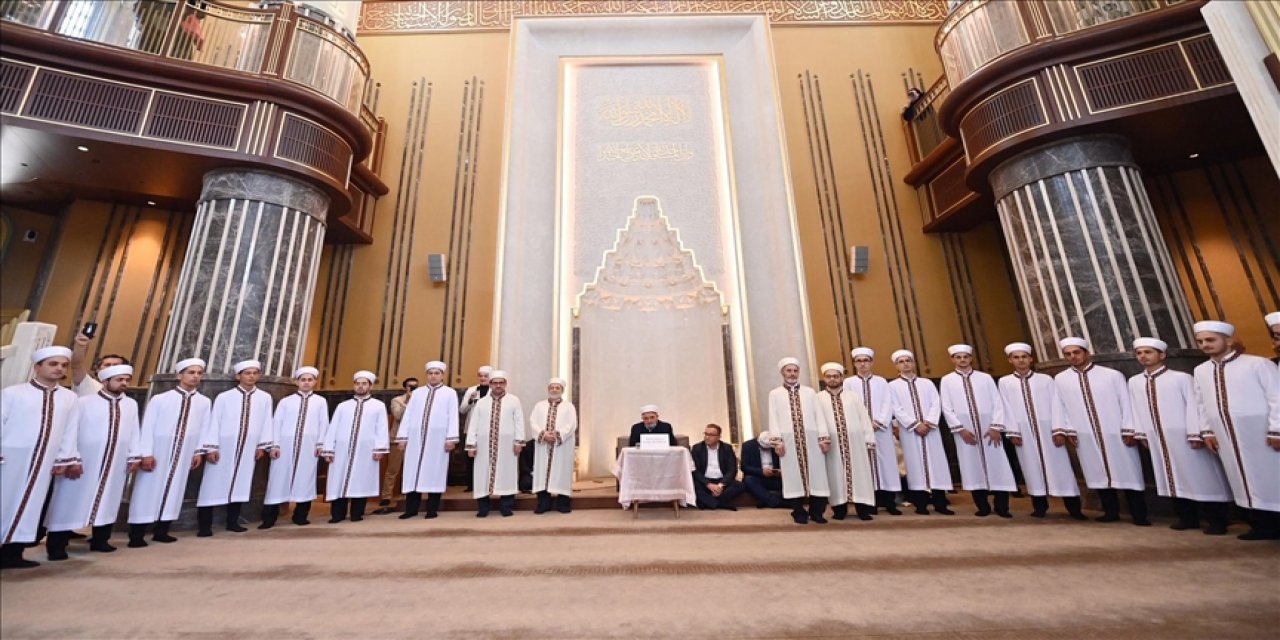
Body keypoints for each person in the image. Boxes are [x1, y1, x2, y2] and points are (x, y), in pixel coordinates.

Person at [1128, 338, 1232, 535]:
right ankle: (1187, 517)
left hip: (1186, 436)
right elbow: (1136, 408)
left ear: (1162, 355)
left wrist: (1195, 432)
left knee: (1201, 476)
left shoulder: (1181, 378)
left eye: (1148, 352)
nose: (1143, 356)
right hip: (1158, 437)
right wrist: (1141, 432)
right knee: (1172, 477)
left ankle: (1217, 520)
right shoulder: (1134, 382)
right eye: (1139, 353)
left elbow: (1195, 405)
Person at [1191, 320, 1280, 540]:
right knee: (1240, 477)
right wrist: (1207, 431)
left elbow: (1276, 397)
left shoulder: (1258, 364)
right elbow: (1200, 403)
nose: (1205, 345)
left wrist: (1276, 430)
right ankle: (1258, 525)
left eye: (1210, 340)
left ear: (1229, 340)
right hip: (1225, 434)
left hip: (1259, 433)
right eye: (1200, 341)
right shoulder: (1200, 370)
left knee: (1268, 477)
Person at [46, 364, 141, 560]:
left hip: (115, 462)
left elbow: (134, 431)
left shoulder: (130, 404)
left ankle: (100, 540)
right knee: (68, 501)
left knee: (109, 499)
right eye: (119, 380)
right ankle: (57, 546)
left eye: (126, 380)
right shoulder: (83, 402)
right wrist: (71, 458)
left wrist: (134, 455)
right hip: (83, 461)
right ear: (105, 382)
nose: (124, 383)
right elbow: (69, 432)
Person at [0, 346, 82, 569]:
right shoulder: (13, 393)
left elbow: (69, 430)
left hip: (44, 462)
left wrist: (65, 458)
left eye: (63, 365)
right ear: (37, 367)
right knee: (4, 502)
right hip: (10, 459)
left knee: (30, 505)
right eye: (53, 364)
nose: (59, 369)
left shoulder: (69, 398)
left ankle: (12, 553)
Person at [1053, 338, 1149, 526]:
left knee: (1128, 472)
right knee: (1098, 473)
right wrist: (1067, 429)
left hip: (1116, 432)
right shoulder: (1061, 379)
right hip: (1085, 434)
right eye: (1068, 354)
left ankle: (1140, 515)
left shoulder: (1112, 375)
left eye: (1076, 352)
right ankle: (1110, 512)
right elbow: (1060, 406)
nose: (1073, 357)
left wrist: (1129, 428)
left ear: (1087, 353)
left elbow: (1126, 403)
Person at [127, 357, 211, 547]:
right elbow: (147, 426)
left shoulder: (204, 402)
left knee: (175, 489)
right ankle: (137, 535)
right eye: (191, 372)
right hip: (158, 451)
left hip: (185, 452)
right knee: (147, 490)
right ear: (179, 375)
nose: (195, 376)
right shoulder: (160, 399)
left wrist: (198, 451)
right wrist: (146, 453)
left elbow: (204, 428)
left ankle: (162, 530)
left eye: (199, 373)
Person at [997, 343, 1085, 519]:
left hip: (1048, 430)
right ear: (1010, 360)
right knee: (1031, 469)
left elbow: (1057, 404)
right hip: (1023, 432)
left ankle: (1074, 509)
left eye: (1024, 357)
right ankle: (1039, 507)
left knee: (1061, 469)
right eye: (1016, 357)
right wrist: (1013, 432)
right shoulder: (1005, 382)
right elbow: (1004, 407)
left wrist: (1059, 429)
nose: (1021, 360)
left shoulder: (1046, 380)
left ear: (1030, 359)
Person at [196, 359, 276, 537]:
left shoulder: (264, 398)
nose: (251, 376)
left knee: (240, 483)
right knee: (212, 485)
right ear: (238, 376)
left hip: (248, 447)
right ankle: (204, 526)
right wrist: (211, 446)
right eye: (247, 373)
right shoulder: (224, 397)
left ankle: (232, 522)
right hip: (224, 447)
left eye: (255, 373)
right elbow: (214, 421)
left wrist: (262, 445)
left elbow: (266, 422)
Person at [940, 344, 1016, 518]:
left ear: (971, 358)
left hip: (989, 429)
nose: (962, 360)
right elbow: (946, 407)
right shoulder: (947, 380)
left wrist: (996, 427)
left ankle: (1002, 507)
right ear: (953, 359)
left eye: (965, 356)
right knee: (972, 468)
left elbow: (997, 403)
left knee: (998, 467)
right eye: (958, 357)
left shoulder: (985, 378)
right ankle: (982, 506)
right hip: (965, 432)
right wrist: (960, 429)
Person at [887, 350, 954, 515]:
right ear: (896, 365)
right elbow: (896, 408)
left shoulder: (927, 383)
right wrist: (915, 424)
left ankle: (940, 504)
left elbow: (935, 403)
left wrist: (929, 422)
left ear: (913, 363)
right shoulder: (892, 386)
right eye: (901, 361)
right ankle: (921, 505)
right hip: (910, 432)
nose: (905, 363)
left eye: (908, 360)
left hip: (931, 431)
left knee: (936, 466)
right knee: (915, 467)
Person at [261, 366, 329, 529]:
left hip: (309, 446)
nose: (306, 383)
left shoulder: (320, 402)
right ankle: (269, 518)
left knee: (305, 480)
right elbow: (276, 423)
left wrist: (321, 443)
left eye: (309, 380)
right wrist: (274, 444)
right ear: (297, 382)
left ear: (315, 382)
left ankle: (300, 516)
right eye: (303, 380)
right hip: (284, 446)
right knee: (278, 480)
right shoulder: (286, 402)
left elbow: (323, 424)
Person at [767, 357, 831, 525]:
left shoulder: (810, 392)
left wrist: (823, 438)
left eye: (795, 370)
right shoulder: (775, 394)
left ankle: (817, 512)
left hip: (811, 440)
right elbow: (773, 418)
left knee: (818, 476)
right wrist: (777, 441)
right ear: (782, 372)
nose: (792, 374)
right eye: (789, 370)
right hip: (788, 441)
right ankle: (798, 511)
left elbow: (819, 415)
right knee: (792, 476)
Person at [322, 371, 389, 523]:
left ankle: (356, 514)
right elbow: (333, 428)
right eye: (358, 383)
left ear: (370, 386)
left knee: (361, 481)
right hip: (341, 450)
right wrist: (329, 448)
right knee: (338, 480)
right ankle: (337, 515)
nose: (360, 386)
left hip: (365, 450)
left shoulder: (378, 406)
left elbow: (382, 428)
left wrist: (380, 448)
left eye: (364, 383)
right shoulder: (342, 406)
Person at [397, 362, 459, 519]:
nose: (433, 376)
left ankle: (432, 509)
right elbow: (408, 415)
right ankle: (411, 509)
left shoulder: (449, 393)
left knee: (434, 472)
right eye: (430, 373)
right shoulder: (417, 393)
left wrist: (451, 438)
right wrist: (403, 437)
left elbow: (453, 416)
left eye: (436, 373)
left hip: (437, 440)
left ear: (442, 375)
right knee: (413, 473)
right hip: (415, 439)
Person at [816, 362, 876, 521]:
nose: (832, 379)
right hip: (832, 445)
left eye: (835, 376)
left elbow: (864, 418)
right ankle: (839, 510)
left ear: (841, 377)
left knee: (860, 475)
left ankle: (863, 510)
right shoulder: (818, 398)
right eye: (829, 376)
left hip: (855, 444)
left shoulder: (853, 396)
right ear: (824, 378)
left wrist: (869, 439)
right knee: (835, 476)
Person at [846, 347, 901, 515]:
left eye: (866, 360)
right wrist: (864, 424)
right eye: (859, 361)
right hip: (861, 431)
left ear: (871, 362)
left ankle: (890, 502)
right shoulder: (848, 383)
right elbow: (848, 405)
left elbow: (887, 403)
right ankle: (871, 503)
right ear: (855, 363)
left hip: (881, 429)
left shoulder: (881, 381)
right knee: (866, 465)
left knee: (887, 465)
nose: (863, 364)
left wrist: (880, 421)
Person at [466, 370, 525, 517]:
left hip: (507, 445)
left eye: (501, 382)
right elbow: (474, 424)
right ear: (490, 384)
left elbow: (519, 422)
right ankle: (483, 508)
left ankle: (506, 506)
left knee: (507, 473)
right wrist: (471, 444)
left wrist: (519, 441)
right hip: (483, 445)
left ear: (505, 384)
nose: (498, 385)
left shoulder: (514, 400)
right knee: (482, 474)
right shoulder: (481, 402)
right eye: (495, 383)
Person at [530, 378, 578, 514]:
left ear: (562, 390)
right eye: (552, 387)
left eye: (558, 388)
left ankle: (563, 503)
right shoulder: (539, 406)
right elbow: (533, 422)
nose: (554, 390)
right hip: (543, 444)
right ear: (548, 389)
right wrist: (543, 434)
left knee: (562, 472)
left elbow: (571, 425)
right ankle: (543, 503)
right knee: (542, 473)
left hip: (562, 446)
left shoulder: (569, 406)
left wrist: (557, 435)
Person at [378, 377, 417, 513]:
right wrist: (408, 401)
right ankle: (386, 495)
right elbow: (398, 416)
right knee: (393, 469)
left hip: (415, 439)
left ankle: (409, 493)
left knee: (412, 468)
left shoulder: (421, 400)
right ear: (404, 388)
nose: (412, 389)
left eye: (415, 386)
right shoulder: (397, 400)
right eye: (410, 386)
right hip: (397, 438)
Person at [690, 424, 745, 511]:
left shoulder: (727, 448)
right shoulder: (697, 448)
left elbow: (732, 469)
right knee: (693, 486)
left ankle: (708, 503)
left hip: (722, 481)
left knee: (740, 485)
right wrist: (708, 484)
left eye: (711, 435)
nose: (707, 437)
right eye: (706, 434)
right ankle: (721, 504)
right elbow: (695, 470)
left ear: (719, 437)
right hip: (705, 482)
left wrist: (720, 485)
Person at [457, 365, 493, 490]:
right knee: (470, 457)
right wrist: (470, 400)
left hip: (489, 429)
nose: (482, 378)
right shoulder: (471, 390)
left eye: (485, 376)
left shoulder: (494, 390)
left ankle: (487, 483)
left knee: (487, 457)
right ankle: (471, 484)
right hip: (472, 428)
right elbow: (462, 410)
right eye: (480, 376)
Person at [69, 331, 129, 397]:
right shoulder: (87, 384)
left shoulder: (126, 399)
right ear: (98, 370)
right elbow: (77, 365)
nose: (111, 368)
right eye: (107, 365)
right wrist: (81, 345)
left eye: (115, 365)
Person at [740, 432, 784, 508]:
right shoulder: (747, 446)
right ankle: (774, 501)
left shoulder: (778, 445)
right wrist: (761, 471)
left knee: (789, 481)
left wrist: (779, 471)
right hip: (758, 477)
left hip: (775, 477)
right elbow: (744, 467)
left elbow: (784, 463)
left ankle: (765, 500)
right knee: (749, 480)